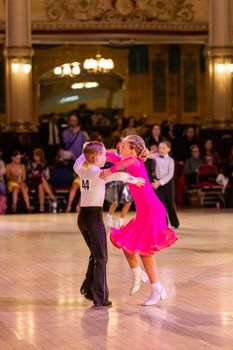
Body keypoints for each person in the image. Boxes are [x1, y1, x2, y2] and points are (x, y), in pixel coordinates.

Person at [101, 135, 177, 306]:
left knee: (144, 252)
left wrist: (109, 171)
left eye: (124, 145)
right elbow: (114, 158)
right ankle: (139, 274)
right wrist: (100, 152)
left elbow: (123, 163)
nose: (120, 146)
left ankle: (157, 290)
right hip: (145, 212)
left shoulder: (134, 162)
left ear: (133, 149)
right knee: (126, 245)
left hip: (151, 210)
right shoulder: (129, 160)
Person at [73, 141, 145, 308]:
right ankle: (100, 297)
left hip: (82, 218)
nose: (105, 157)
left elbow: (78, 159)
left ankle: (88, 288)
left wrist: (86, 148)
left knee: (95, 255)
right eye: (104, 155)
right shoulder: (99, 172)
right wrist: (135, 180)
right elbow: (118, 175)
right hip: (93, 219)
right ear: (97, 158)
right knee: (101, 257)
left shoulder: (81, 169)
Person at [149, 140, 180, 229]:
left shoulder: (171, 160)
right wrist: (146, 153)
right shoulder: (156, 156)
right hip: (157, 182)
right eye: (160, 148)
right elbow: (146, 156)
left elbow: (170, 175)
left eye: (164, 148)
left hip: (167, 183)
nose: (161, 150)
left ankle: (175, 223)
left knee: (170, 203)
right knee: (160, 204)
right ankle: (164, 223)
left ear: (168, 149)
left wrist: (159, 182)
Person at [27, 148, 56, 213]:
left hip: (42, 182)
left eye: (37, 156)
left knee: (40, 185)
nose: (35, 157)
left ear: (40, 156)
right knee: (41, 178)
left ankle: (41, 207)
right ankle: (52, 196)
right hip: (33, 181)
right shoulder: (31, 163)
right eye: (35, 155)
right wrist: (37, 174)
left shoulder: (44, 164)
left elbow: (47, 176)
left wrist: (41, 175)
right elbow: (29, 174)